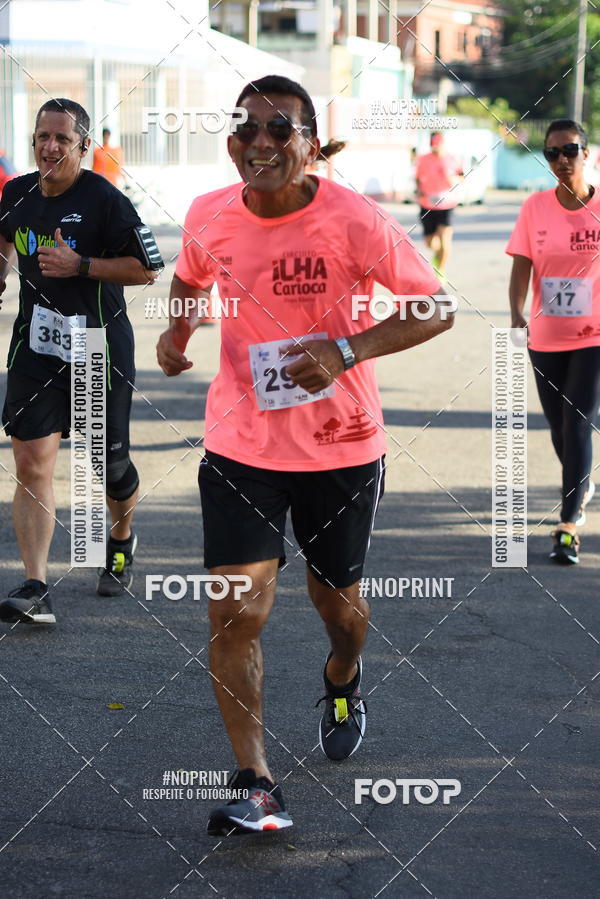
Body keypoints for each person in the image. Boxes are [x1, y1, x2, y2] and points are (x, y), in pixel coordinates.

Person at [156, 74, 454, 835]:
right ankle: (255, 779)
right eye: (246, 129)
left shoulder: (355, 220)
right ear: (229, 141)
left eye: (278, 129)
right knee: (234, 609)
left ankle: (343, 672)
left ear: (309, 144)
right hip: (240, 441)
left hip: (340, 447)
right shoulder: (208, 214)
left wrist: (347, 348)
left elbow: (436, 305)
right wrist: (177, 332)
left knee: (340, 608)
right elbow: (190, 279)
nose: (260, 142)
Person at [0, 98, 159, 625]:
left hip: (97, 348)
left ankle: (120, 535)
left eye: (62, 140)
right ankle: (35, 585)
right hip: (36, 350)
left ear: (83, 147)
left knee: (107, 468)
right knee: (31, 461)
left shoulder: (105, 200)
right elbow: (4, 236)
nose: (50, 146)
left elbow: (146, 269)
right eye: (43, 136)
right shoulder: (16, 192)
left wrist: (82, 264)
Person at [507, 119, 600, 565]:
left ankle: (567, 524)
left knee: (578, 420)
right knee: (560, 426)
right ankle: (581, 486)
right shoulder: (535, 208)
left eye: (570, 151)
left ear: (586, 154)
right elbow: (522, 263)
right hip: (545, 334)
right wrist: (515, 312)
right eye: (552, 153)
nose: (561, 160)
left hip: (595, 334)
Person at [415, 132, 462, 278]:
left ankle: (440, 272)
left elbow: (462, 177)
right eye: (433, 146)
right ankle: (437, 255)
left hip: (447, 205)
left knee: (445, 240)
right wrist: (419, 190)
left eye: (438, 145)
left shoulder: (453, 159)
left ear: (443, 143)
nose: (436, 148)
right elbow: (417, 178)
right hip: (427, 205)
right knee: (431, 243)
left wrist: (452, 179)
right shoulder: (423, 159)